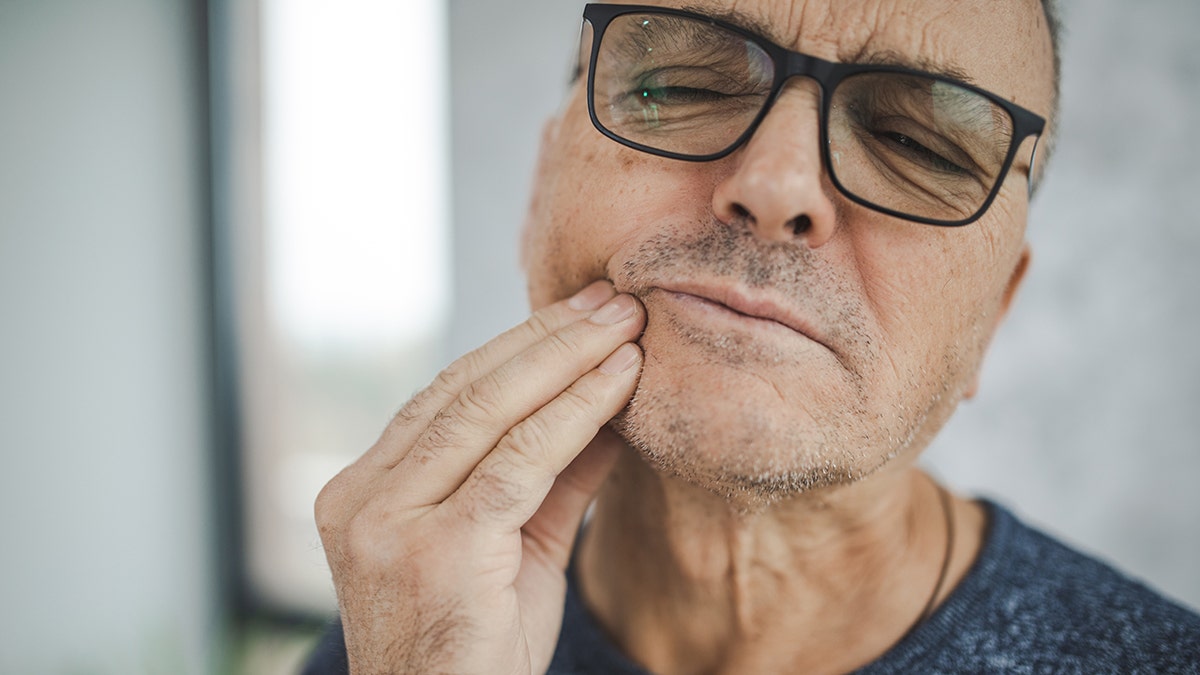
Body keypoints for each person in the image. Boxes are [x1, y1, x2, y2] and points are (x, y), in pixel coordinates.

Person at [304, 0, 1200, 672]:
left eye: (916, 144)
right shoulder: (397, 643)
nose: (777, 186)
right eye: (681, 84)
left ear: (994, 310)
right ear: (542, 191)